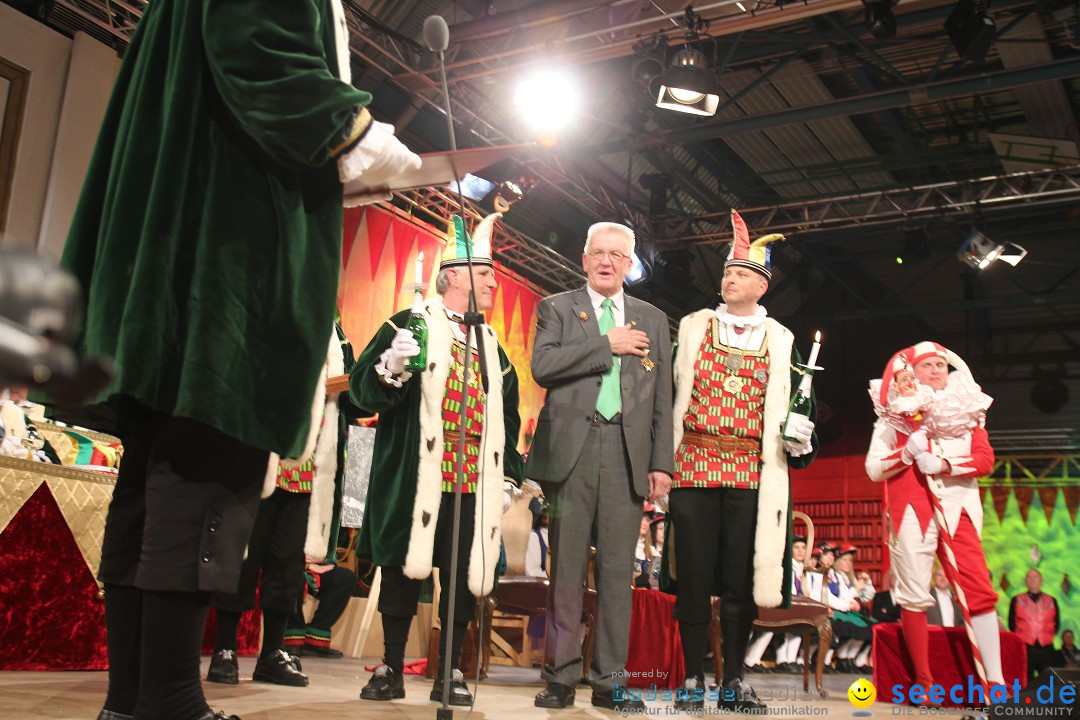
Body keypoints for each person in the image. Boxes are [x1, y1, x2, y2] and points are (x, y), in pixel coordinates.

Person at [59, 3, 421, 719]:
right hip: (221, 252)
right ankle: (170, 704)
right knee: (202, 475)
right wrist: (355, 136)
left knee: (155, 481)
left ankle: (133, 704)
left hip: (176, 236)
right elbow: (260, 50)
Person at [351, 214, 525, 706]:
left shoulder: (496, 351)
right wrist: (391, 367)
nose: (495, 280)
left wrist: (509, 476)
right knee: (406, 567)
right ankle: (390, 665)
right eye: (485, 272)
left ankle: (449, 669)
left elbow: (508, 425)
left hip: (473, 476)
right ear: (453, 275)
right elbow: (362, 396)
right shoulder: (408, 325)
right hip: (415, 471)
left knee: (463, 575)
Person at [666, 214, 816, 712]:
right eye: (726, 273)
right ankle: (690, 678)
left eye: (740, 274)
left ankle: (733, 681)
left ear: (761, 284)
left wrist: (800, 434)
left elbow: (801, 408)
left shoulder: (781, 341)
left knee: (738, 580)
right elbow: (666, 394)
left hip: (751, 474)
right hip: (691, 466)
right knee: (691, 575)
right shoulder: (692, 330)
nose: (729, 279)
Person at [527, 221, 674, 712]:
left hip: (628, 453)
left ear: (630, 265)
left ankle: (611, 680)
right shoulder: (557, 307)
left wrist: (662, 463)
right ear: (584, 258)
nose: (607, 261)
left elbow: (662, 398)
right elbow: (543, 367)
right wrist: (604, 344)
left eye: (617, 254)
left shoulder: (653, 319)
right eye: (598, 253)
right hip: (572, 448)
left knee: (617, 573)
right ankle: (561, 676)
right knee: (566, 570)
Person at [866, 342, 1004, 703]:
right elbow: (874, 468)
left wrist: (945, 465)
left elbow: (985, 460)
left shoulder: (968, 412)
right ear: (910, 375)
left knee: (979, 590)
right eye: (927, 365)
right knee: (914, 593)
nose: (937, 370)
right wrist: (906, 452)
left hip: (958, 510)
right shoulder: (892, 417)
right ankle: (924, 682)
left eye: (941, 364)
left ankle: (997, 681)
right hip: (911, 510)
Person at [1009, 569, 1061, 680]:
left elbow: (1057, 624)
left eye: (1035, 577)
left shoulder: (1052, 600)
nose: (1032, 580)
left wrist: (1046, 636)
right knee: (1025, 680)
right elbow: (1011, 624)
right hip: (1025, 648)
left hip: (1046, 648)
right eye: (1029, 577)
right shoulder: (1016, 599)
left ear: (1041, 580)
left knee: (1048, 681)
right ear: (1026, 581)